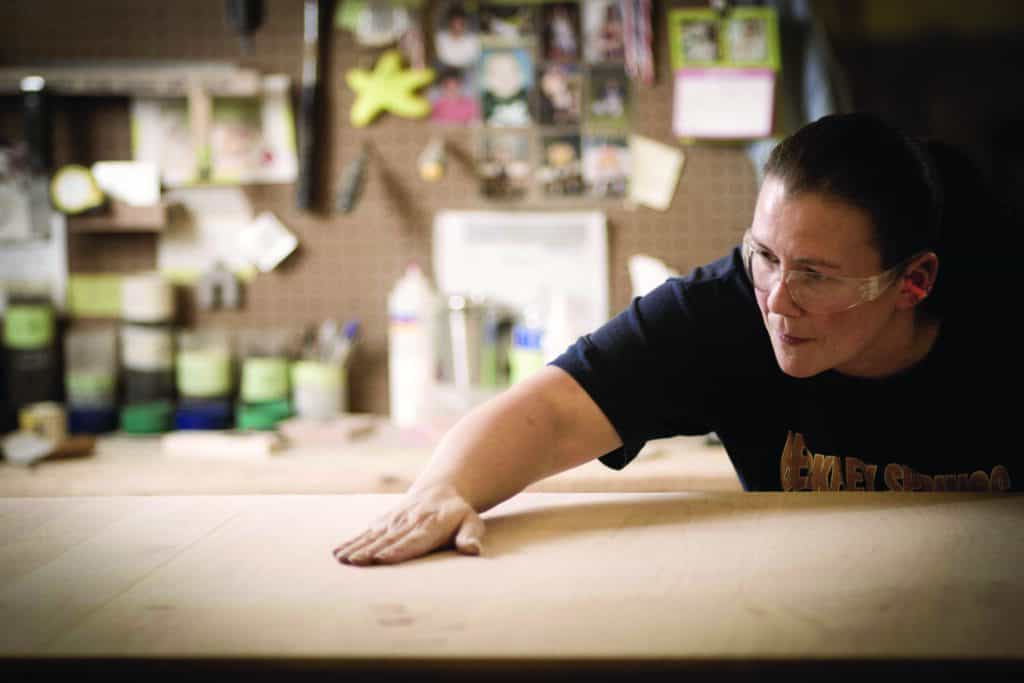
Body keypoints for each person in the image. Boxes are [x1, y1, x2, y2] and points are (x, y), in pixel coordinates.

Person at [333, 113, 1017, 567]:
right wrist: (446, 485)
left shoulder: (998, 329)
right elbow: (558, 408)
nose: (777, 300)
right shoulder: (724, 308)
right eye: (767, 255)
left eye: (816, 274)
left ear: (913, 282)